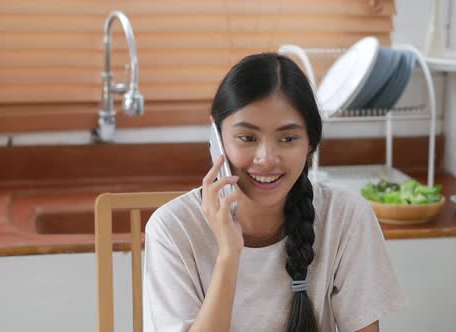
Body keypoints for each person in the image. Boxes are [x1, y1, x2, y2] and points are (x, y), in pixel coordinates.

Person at [143, 53, 405, 332]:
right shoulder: (172, 229)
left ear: (311, 144)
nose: (266, 158)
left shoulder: (346, 216)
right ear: (216, 137)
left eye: (288, 138)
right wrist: (229, 254)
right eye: (247, 138)